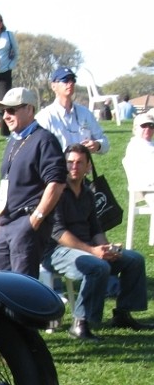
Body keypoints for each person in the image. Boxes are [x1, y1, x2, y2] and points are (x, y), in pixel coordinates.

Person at [48, 144, 153, 341]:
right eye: (70, 162)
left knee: (134, 259)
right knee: (97, 267)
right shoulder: (57, 192)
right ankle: (80, 323)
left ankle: (123, 313)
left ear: (88, 166)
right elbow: (59, 233)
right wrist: (93, 251)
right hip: (58, 251)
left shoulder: (88, 191)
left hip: (87, 247)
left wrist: (106, 248)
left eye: (80, 163)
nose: (74, 167)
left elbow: (95, 228)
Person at [0, 87, 67, 279]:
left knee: (22, 289)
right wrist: (0, 221)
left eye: (12, 110)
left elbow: (56, 184)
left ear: (30, 109)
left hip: (26, 223)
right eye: (3, 111)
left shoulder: (44, 140)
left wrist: (36, 219)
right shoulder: (14, 141)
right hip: (6, 223)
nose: (6, 116)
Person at [35, 67, 109, 156]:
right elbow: (36, 150)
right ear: (53, 86)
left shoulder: (85, 113)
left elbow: (105, 143)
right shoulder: (44, 117)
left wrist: (97, 145)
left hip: (82, 168)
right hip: (57, 168)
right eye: (65, 80)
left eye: (73, 80)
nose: (70, 83)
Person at [122, 110, 154, 191]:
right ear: (135, 129)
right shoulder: (135, 147)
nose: (148, 129)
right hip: (148, 188)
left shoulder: (150, 144)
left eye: (151, 125)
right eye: (144, 125)